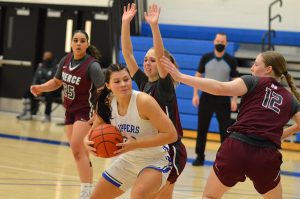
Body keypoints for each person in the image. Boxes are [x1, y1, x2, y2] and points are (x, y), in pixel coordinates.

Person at [162, 51, 300, 198]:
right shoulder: (290, 99)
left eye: (256, 64)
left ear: (268, 69)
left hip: (237, 148)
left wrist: (180, 77)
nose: (252, 68)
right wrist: (281, 134)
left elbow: (219, 88)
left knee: (210, 196)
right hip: (265, 156)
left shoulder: (253, 81)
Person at [121, 3, 187, 198]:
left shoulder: (164, 86)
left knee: (144, 195)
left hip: (170, 148)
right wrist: (125, 24)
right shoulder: (143, 83)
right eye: (146, 59)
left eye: (152, 60)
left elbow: (160, 55)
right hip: (153, 146)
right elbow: (128, 54)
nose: (147, 62)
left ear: (162, 65)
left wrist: (154, 26)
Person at [30, 30, 105, 199]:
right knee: (80, 152)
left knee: (76, 148)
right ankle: (89, 188)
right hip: (69, 111)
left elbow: (103, 91)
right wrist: (41, 87)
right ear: (71, 43)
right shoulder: (65, 60)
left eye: (82, 41)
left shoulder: (92, 66)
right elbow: (57, 82)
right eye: (76, 40)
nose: (78, 43)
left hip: (85, 111)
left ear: (87, 44)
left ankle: (85, 191)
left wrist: (99, 114)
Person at [84, 64, 177, 199]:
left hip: (156, 159)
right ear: (108, 85)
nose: (123, 84)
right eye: (117, 81)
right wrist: (87, 141)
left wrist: (136, 144)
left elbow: (171, 134)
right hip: (129, 160)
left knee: (138, 194)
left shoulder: (144, 101)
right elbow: (93, 132)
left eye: (126, 79)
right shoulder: (106, 103)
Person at [191, 32, 239, 166]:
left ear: (226, 44)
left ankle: (225, 158)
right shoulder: (206, 58)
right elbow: (197, 76)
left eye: (222, 42)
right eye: (218, 41)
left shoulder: (231, 60)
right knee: (202, 129)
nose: (219, 43)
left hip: (223, 99)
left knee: (225, 130)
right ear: (214, 41)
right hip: (206, 98)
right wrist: (195, 94)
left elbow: (236, 81)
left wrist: (234, 99)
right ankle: (199, 156)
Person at [17, 51, 60, 122]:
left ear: (51, 58)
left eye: (47, 57)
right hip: (40, 88)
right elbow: (35, 78)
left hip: (51, 89)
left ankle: (47, 115)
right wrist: (35, 87)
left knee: (49, 94)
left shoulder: (56, 67)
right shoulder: (40, 66)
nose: (45, 58)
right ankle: (27, 113)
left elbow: (54, 81)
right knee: (28, 91)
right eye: (44, 56)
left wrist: (42, 89)